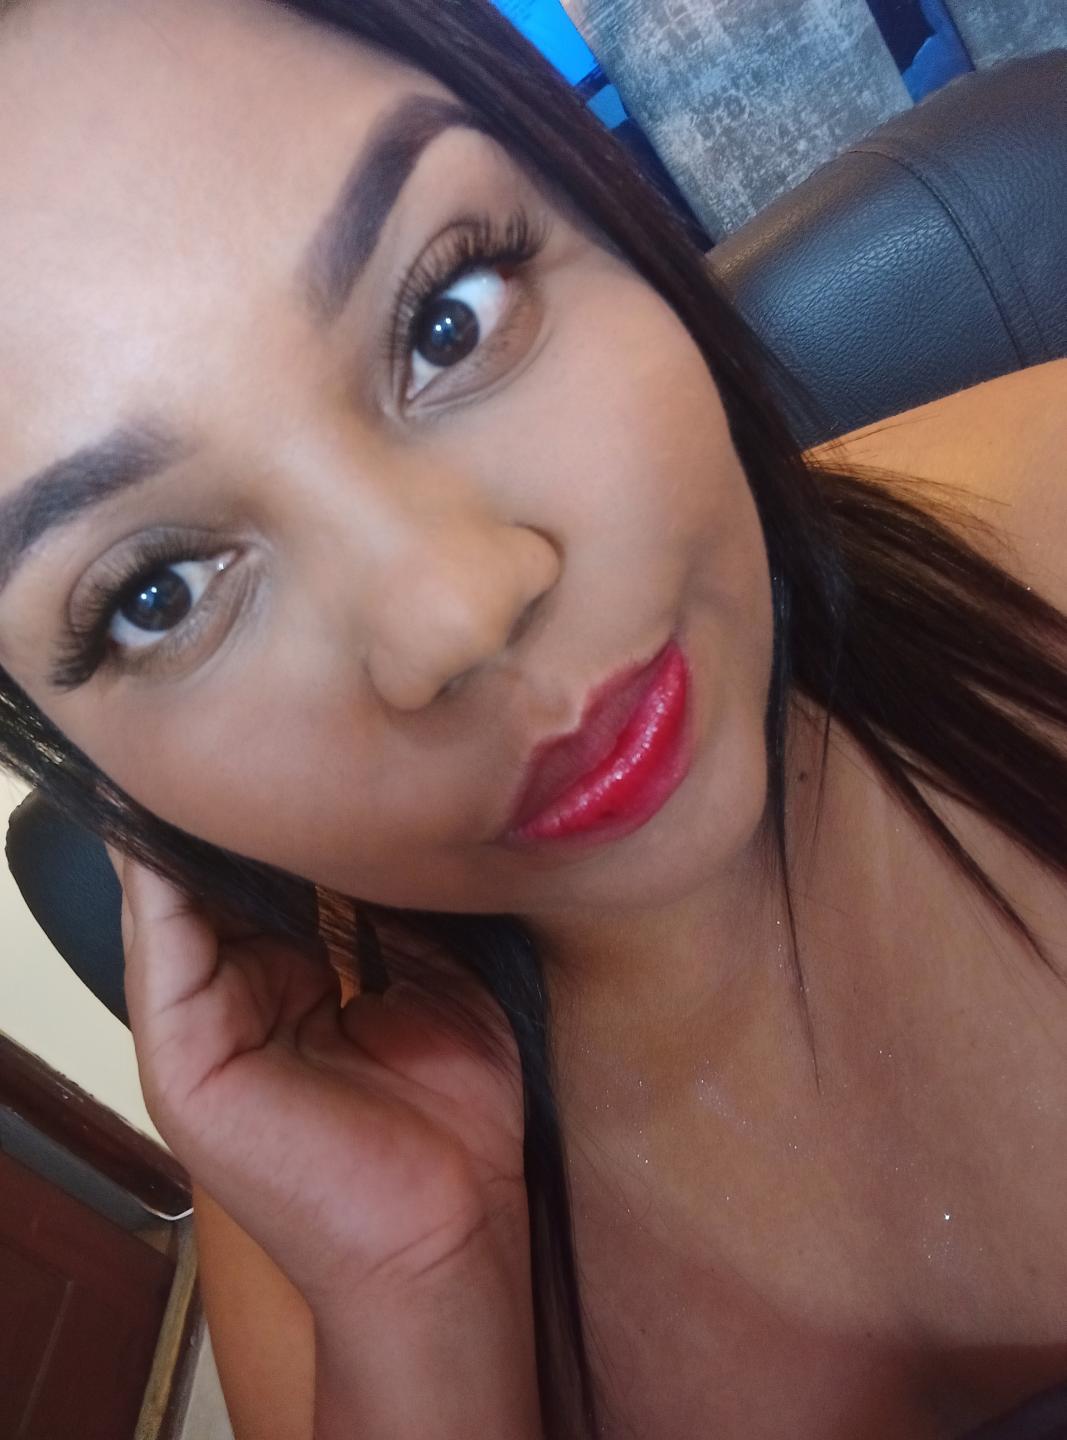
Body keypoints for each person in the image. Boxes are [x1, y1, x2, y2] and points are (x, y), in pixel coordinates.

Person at [1, 2, 1066, 1436]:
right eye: (157, 592)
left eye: (449, 315)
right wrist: (422, 1311)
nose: (459, 612)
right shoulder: (321, 1229)